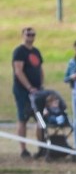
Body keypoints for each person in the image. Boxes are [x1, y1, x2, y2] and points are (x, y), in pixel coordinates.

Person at [11, 26, 44, 159]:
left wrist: (40, 85)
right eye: (28, 34)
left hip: (37, 91)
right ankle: (23, 149)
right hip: (22, 91)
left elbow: (40, 69)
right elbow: (18, 71)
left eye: (32, 34)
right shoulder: (19, 52)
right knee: (23, 118)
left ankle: (42, 148)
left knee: (40, 119)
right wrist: (29, 87)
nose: (30, 36)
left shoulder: (36, 51)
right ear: (23, 35)